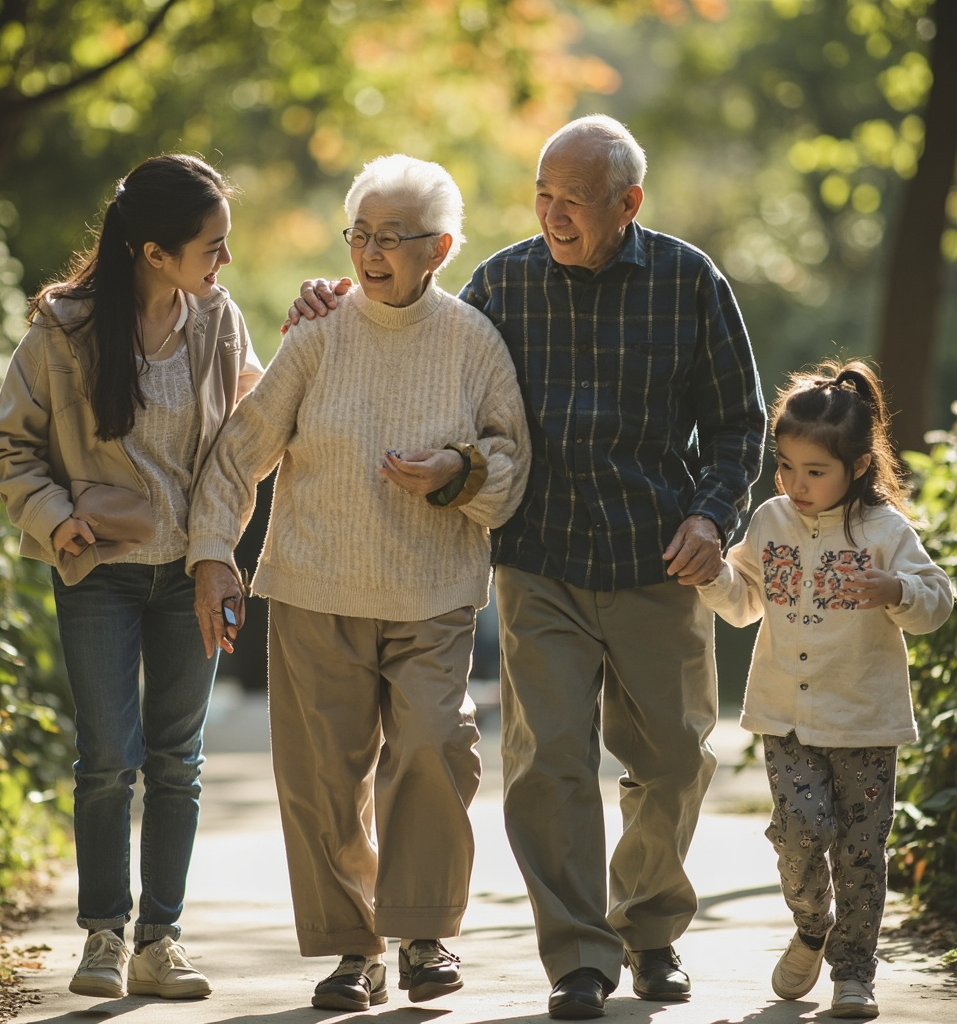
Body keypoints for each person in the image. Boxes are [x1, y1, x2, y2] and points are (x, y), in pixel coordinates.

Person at [286, 114, 766, 1018]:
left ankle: (651, 926)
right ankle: (578, 957)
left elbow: (741, 421)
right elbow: (415, 330)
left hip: (656, 555)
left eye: (573, 200)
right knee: (549, 764)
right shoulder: (500, 283)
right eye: (542, 194)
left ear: (627, 204)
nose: (552, 213)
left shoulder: (688, 279)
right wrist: (330, 295)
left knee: (672, 760)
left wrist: (712, 514)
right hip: (540, 560)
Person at [187, 154, 530, 1012]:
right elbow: (241, 451)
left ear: (439, 248)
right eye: (361, 235)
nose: (371, 253)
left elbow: (511, 464)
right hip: (313, 586)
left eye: (393, 238)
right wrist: (213, 553)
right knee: (322, 780)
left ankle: (424, 937)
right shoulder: (320, 331)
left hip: (432, 592)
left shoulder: (472, 340)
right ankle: (352, 953)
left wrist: (457, 470)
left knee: (431, 745)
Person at [0, 154, 263, 1001]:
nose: (223, 261)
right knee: (108, 758)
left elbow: (250, 439)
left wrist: (220, 554)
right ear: (152, 251)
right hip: (97, 570)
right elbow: (6, 446)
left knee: (179, 760)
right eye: (211, 245)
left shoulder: (219, 323)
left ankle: (158, 941)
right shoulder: (62, 332)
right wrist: (53, 517)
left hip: (192, 573)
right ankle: (102, 935)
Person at [695, 360, 953, 1020]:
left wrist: (896, 592)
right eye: (785, 466)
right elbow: (744, 601)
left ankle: (853, 970)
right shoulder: (771, 521)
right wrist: (708, 574)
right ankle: (813, 925)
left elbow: (937, 605)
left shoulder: (885, 531)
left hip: (866, 721)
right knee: (801, 834)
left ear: (859, 465)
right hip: (786, 716)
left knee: (862, 852)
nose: (796, 484)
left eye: (815, 470)